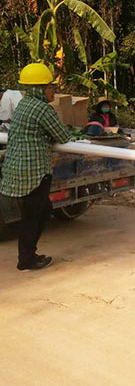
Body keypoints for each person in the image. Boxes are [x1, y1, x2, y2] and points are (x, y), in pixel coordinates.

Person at [0, 63, 71, 271]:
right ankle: (27, 260)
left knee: (40, 210)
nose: (53, 90)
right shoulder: (42, 109)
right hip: (35, 172)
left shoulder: (24, 104)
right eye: (50, 87)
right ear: (39, 88)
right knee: (34, 215)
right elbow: (63, 136)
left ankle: (28, 255)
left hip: (18, 168)